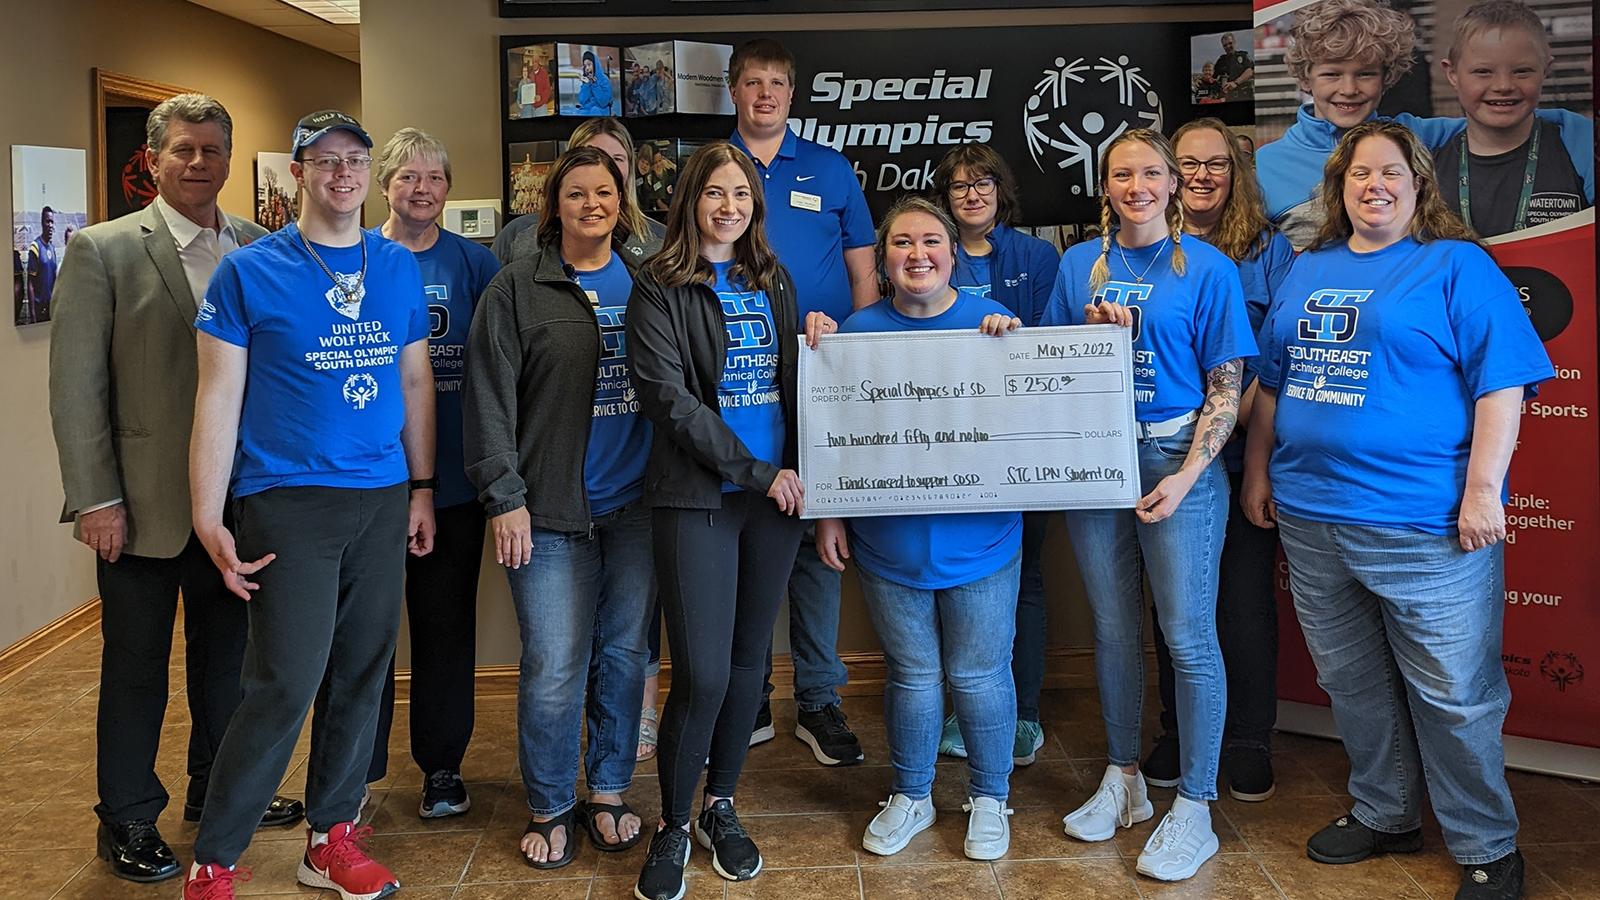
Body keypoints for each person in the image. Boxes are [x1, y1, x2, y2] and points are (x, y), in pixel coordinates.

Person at [1243, 120, 1552, 900]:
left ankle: (1487, 844)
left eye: (1391, 173)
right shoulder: (1306, 269)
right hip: (1313, 518)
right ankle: (1386, 812)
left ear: (1419, 187)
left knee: (1454, 693)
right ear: (1338, 188)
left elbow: (1502, 383)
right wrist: (1257, 472)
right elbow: (1274, 385)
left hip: (1427, 524)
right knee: (1353, 682)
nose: (1374, 186)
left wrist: (1483, 489)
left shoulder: (1456, 266)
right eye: (1358, 175)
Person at [47, 93, 304, 886]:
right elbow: (76, 387)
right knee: (136, 670)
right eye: (184, 150)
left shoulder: (266, 249)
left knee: (229, 663)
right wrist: (95, 500)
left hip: (239, 505)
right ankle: (125, 817)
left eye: (213, 150)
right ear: (154, 159)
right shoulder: (104, 250)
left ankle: (216, 790)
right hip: (142, 509)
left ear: (231, 158)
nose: (199, 163)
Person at [183, 109, 434, 900]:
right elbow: (217, 397)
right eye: (324, 159)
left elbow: (415, 380)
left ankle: (330, 838)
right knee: (286, 681)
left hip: (383, 495)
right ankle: (215, 860)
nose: (342, 172)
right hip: (288, 500)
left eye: (354, 158)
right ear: (298, 172)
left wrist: (423, 488)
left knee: (363, 674)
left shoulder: (395, 267)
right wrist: (207, 515)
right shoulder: (250, 272)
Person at [625, 142, 835, 900]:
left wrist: (823, 351)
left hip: (774, 501)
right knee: (705, 673)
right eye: (715, 192)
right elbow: (668, 399)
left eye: (741, 194)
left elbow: (790, 382)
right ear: (691, 200)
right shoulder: (658, 284)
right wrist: (756, 472)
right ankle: (672, 825)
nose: (729, 206)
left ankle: (721, 807)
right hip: (700, 498)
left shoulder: (771, 279)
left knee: (751, 666)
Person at [1044, 128, 1254, 883]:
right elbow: (1050, 369)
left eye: (1150, 173)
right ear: (1106, 187)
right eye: (1121, 174)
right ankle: (1124, 778)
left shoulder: (1208, 267)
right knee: (1112, 629)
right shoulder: (1079, 265)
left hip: (1174, 459)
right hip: (1097, 459)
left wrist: (1190, 475)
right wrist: (1083, 338)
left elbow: (1226, 389)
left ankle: (1193, 805)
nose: (1137, 185)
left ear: (1172, 185)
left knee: (1189, 638)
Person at [812, 195, 1024, 861]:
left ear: (953, 252)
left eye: (930, 240)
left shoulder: (994, 325)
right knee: (911, 674)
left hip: (983, 542)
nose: (917, 254)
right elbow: (833, 440)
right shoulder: (853, 331)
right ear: (884, 258)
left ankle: (990, 797)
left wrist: (1014, 349)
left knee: (981, 674)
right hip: (888, 544)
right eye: (902, 243)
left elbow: (1033, 429)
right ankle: (911, 793)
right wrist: (829, 516)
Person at [464, 145, 655, 869]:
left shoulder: (649, 280)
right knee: (552, 664)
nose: (591, 205)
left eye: (603, 192)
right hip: (545, 515)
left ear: (621, 202)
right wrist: (503, 498)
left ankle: (607, 790)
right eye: (576, 194)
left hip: (637, 507)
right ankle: (549, 803)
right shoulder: (516, 288)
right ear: (554, 207)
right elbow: (486, 403)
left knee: (626, 655)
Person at [726, 37, 878, 766]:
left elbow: (864, 279)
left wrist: (859, 363)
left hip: (823, 378)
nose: (765, 94)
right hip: (735, 382)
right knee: (745, 534)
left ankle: (818, 698)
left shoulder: (829, 169)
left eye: (777, 83)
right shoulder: (710, 170)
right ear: (733, 92)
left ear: (792, 93)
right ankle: (749, 691)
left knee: (819, 542)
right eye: (752, 83)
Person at [1138, 117, 1294, 804]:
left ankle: (1251, 738)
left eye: (1217, 164)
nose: (1202, 175)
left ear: (1237, 174)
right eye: (1188, 163)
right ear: (1169, 175)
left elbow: (1275, 359)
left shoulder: (1270, 251)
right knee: (1174, 607)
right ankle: (1177, 731)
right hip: (1165, 462)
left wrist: (1245, 452)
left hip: (1242, 451)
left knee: (1242, 604)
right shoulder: (1145, 251)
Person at [363, 127, 499, 819]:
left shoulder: (474, 264)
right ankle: (355, 769)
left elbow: (503, 363)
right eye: (408, 177)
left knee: (445, 630)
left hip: (454, 480)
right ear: (384, 183)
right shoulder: (355, 257)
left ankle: (442, 767)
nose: (422, 190)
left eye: (435, 177)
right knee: (365, 632)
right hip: (368, 479)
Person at [925, 144, 1060, 769]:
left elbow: (1048, 347)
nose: (971, 195)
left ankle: (1023, 713)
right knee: (951, 577)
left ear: (1001, 193)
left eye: (983, 183)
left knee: (1022, 579)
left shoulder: (1035, 257)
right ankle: (961, 706)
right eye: (958, 187)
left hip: (1018, 440)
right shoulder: (926, 252)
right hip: (941, 442)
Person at [1255, 0, 1590, 249]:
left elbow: (1496, 115)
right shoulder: (1267, 166)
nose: (1349, 89)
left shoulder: (1418, 136)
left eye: (1366, 74)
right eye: (1331, 74)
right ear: (1304, 78)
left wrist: (1573, 127)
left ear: (1388, 77)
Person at [1434, 0, 1593, 236]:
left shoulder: (1580, 146)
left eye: (1522, 71)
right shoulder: (1426, 156)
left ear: (1545, 70)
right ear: (1452, 74)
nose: (1503, 86)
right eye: (1483, 72)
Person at [492, 118, 666, 266]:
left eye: (617, 159)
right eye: (592, 155)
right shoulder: (518, 236)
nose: (604, 167)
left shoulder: (660, 240)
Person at [26, 206, 59, 320]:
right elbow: (30, 283)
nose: (50, 225)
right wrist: (33, 314)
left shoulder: (53, 249)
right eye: (47, 221)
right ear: (42, 223)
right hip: (39, 310)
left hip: (51, 309)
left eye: (52, 222)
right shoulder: (35, 247)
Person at [1213, 32, 1255, 100]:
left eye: (1230, 43)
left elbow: (1250, 71)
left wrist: (1235, 83)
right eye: (1225, 45)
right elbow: (1213, 77)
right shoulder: (1221, 61)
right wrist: (1201, 81)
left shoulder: (1243, 55)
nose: (1228, 46)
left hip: (1244, 96)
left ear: (1235, 42)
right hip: (1227, 98)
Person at [576, 50, 616, 116]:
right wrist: (587, 84)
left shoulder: (604, 80)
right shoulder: (587, 80)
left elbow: (603, 103)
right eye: (585, 66)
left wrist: (595, 84)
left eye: (589, 64)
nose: (587, 68)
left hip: (601, 110)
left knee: (595, 110)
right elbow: (582, 100)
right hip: (588, 109)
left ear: (595, 64)